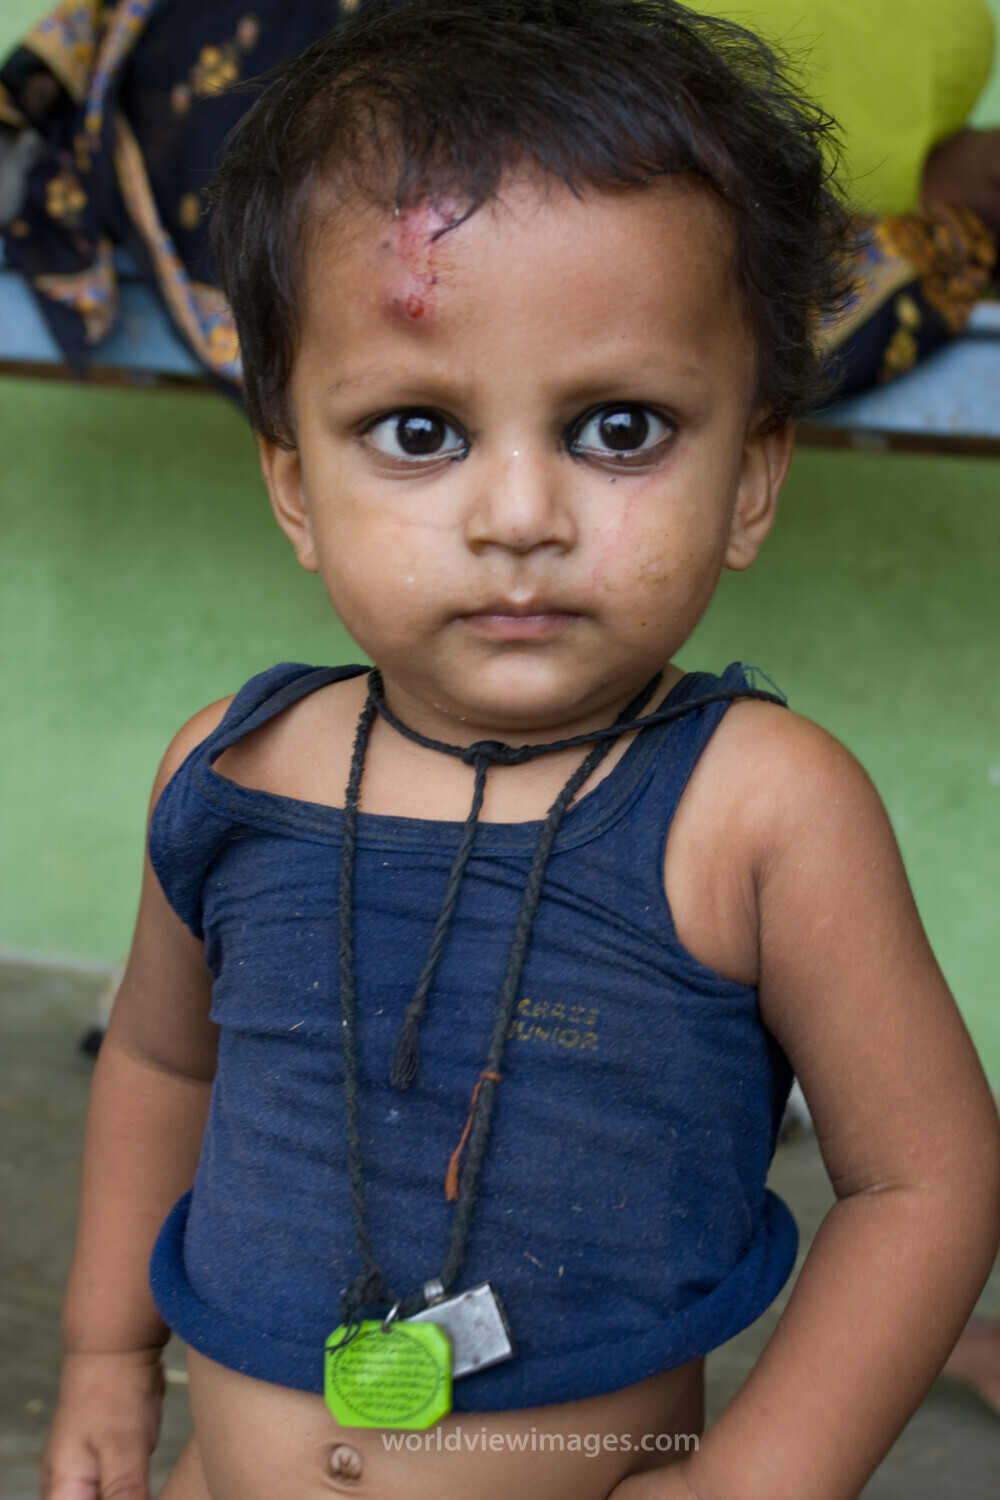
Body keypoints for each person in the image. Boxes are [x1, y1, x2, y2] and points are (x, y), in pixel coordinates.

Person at [39, 3, 1000, 1498]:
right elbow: (165, 1062)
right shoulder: (230, 772)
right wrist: (105, 1356)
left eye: (619, 427)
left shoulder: (752, 810)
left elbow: (924, 1182)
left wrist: (751, 1484)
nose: (519, 516)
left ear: (750, 477)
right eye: (420, 433)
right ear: (292, 481)